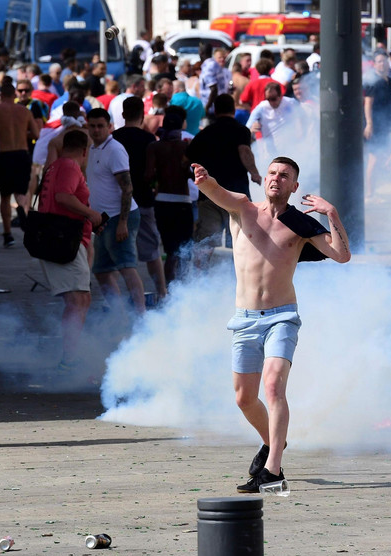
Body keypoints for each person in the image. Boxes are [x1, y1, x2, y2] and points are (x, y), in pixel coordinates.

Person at [190, 156, 350, 493]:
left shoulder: (300, 224)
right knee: (244, 399)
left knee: (274, 385)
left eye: (285, 176)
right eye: (273, 173)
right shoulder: (244, 209)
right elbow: (216, 192)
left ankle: (273, 472)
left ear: (294, 186)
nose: (277, 179)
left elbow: (341, 254)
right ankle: (273, 444)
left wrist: (331, 213)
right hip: (244, 319)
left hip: (282, 316)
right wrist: (204, 179)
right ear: (265, 180)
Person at [34, 129, 107, 369]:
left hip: (64, 238)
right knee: (78, 300)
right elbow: (64, 197)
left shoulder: (56, 165)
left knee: (80, 299)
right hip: (62, 240)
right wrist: (92, 214)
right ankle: (69, 360)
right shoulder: (68, 166)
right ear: (85, 151)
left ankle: (71, 356)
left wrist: (89, 222)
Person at [85, 108, 145, 314]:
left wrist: (123, 222)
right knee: (101, 270)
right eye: (92, 126)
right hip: (103, 220)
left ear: (110, 127)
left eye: (100, 126)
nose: (96, 130)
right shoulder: (93, 148)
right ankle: (120, 313)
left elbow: (127, 187)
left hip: (119, 217)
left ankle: (140, 316)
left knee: (127, 267)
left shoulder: (115, 149)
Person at [186, 94, 260, 251]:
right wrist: (254, 173)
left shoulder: (205, 133)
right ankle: (238, 275)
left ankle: (200, 276)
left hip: (209, 196)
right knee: (240, 242)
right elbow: (244, 150)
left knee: (205, 244)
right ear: (233, 109)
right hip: (236, 197)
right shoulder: (241, 130)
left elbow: (186, 159)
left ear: (215, 110)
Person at [112, 96, 167, 301]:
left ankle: (120, 297)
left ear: (123, 114)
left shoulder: (114, 138)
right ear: (142, 115)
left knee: (119, 253)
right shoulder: (148, 139)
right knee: (151, 250)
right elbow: (154, 172)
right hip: (144, 199)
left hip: (118, 203)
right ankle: (161, 293)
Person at [0, 83, 40, 248]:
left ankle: (8, 234)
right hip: (22, 154)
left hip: (5, 154)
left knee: (4, 196)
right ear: (15, 94)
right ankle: (24, 217)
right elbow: (36, 134)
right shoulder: (25, 110)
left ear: (1, 94)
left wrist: (2, 130)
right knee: (21, 193)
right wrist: (21, 132)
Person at [145, 107, 193, 284]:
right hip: (183, 201)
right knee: (184, 250)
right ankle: (182, 290)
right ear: (180, 128)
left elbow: (148, 175)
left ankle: (168, 291)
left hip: (162, 201)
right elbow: (193, 175)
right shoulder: (186, 147)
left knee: (170, 250)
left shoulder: (154, 147)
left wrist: (159, 178)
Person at [364, 52, 391, 201]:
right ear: (374, 64)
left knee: (381, 156)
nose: (382, 64)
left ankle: (374, 190)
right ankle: (370, 193)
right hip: (375, 125)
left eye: (384, 61)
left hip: (386, 125)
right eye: (379, 62)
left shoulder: (389, 80)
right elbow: (368, 104)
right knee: (374, 158)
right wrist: (369, 124)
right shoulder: (373, 81)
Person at [247, 82, 299, 156]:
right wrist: (252, 130)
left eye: (273, 99)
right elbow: (247, 129)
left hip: (290, 149)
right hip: (270, 153)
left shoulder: (291, 103)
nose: (271, 102)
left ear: (280, 96)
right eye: (268, 99)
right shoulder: (261, 108)